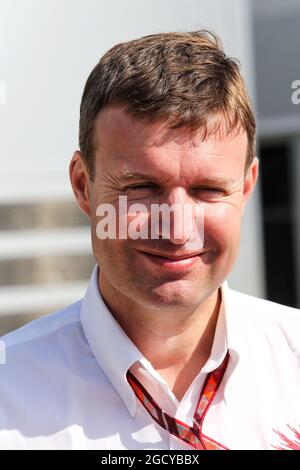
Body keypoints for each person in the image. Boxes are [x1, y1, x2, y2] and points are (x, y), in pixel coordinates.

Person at [0, 30, 299, 451]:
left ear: (246, 187)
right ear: (83, 185)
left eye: (208, 190)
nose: (177, 230)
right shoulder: (7, 395)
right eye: (142, 187)